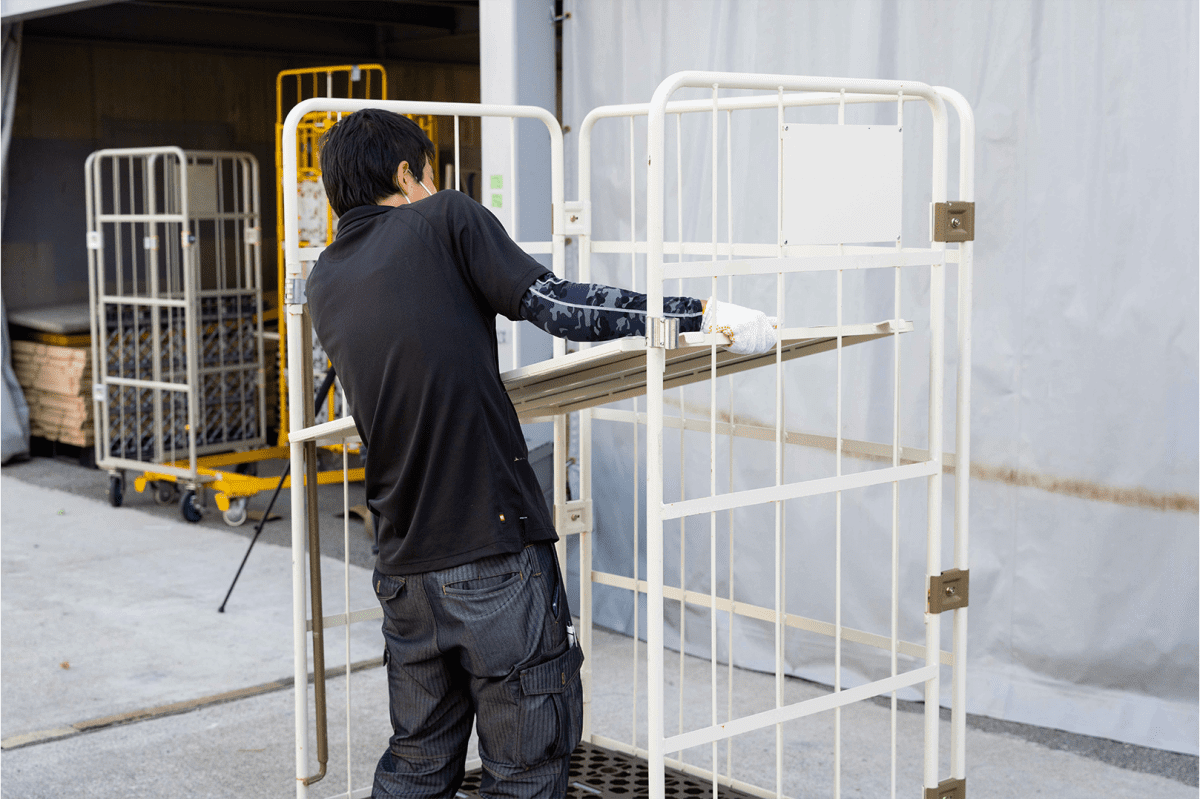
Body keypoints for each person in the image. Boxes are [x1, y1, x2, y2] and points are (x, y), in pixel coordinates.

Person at [307, 108, 775, 799]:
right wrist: (699, 315)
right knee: (526, 764)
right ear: (406, 175)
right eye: (428, 174)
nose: (433, 185)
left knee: (418, 760)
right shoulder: (444, 218)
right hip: (489, 553)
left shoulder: (325, 279)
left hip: (403, 571)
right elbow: (558, 306)